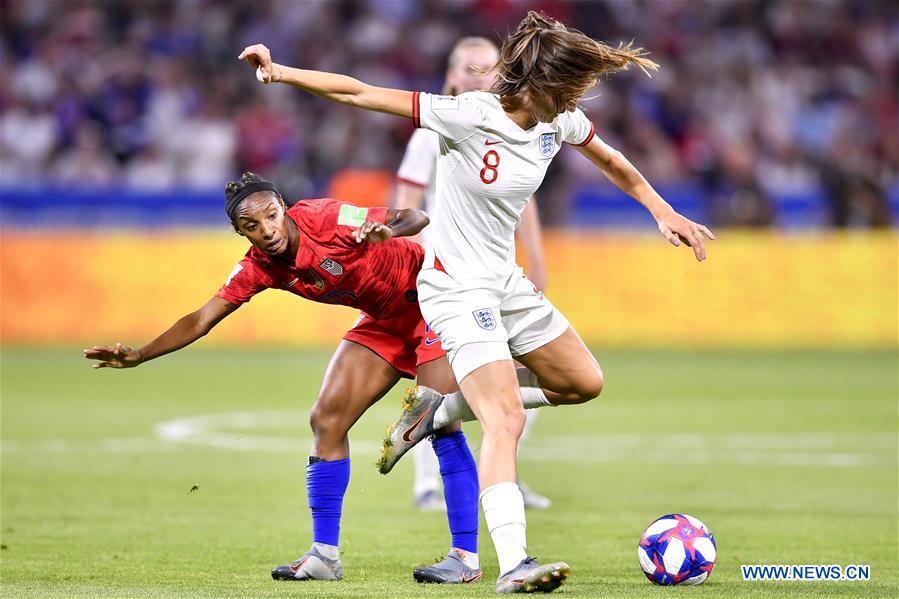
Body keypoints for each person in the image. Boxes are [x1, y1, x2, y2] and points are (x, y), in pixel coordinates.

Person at [239, 11, 714, 593]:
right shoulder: (467, 115)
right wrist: (280, 71)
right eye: (561, 92)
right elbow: (361, 92)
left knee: (583, 383)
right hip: (455, 288)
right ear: (533, 85)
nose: (570, 104)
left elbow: (612, 160)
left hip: (505, 282)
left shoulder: (558, 119)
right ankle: (514, 564)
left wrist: (663, 212)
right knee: (506, 418)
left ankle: (441, 408)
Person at [83, 172, 485, 585]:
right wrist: (141, 354)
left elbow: (414, 215)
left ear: (284, 208)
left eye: (271, 216)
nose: (267, 230)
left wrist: (386, 231)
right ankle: (324, 556)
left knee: (436, 420)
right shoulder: (259, 267)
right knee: (326, 420)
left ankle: (464, 557)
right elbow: (203, 319)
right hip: (384, 322)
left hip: (435, 303)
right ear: (241, 233)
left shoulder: (325, 218)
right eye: (251, 227)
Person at [394, 36, 551, 512]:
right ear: (452, 76)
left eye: (490, 68)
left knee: (526, 373)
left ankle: (504, 473)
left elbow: (520, 198)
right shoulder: (432, 131)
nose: (481, 75)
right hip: (449, 275)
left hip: (497, 273)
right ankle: (426, 485)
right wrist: (421, 257)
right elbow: (406, 202)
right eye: (472, 68)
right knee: (439, 378)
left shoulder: (510, 126)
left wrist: (537, 258)